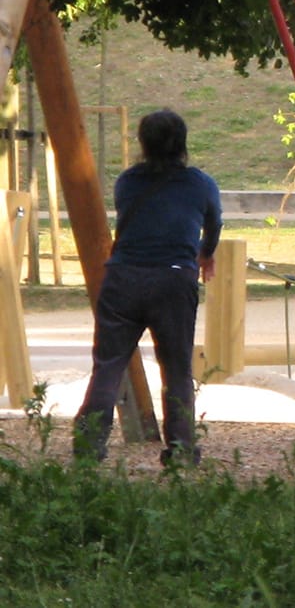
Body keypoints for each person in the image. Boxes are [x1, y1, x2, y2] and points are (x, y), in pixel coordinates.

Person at [73, 109, 221, 466]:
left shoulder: (127, 182)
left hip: (123, 277)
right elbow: (213, 222)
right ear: (183, 143)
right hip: (174, 278)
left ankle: (88, 445)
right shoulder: (200, 184)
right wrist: (206, 254)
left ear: (142, 143)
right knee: (177, 368)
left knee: (108, 365)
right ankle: (181, 450)